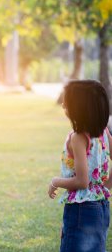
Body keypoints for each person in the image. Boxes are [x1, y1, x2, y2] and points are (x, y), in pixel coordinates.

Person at [48, 79, 112, 252]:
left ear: (80, 108)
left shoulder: (78, 138)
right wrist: (105, 186)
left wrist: (56, 181)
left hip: (82, 208)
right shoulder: (103, 132)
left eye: (67, 102)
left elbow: (82, 182)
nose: (63, 106)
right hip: (101, 205)